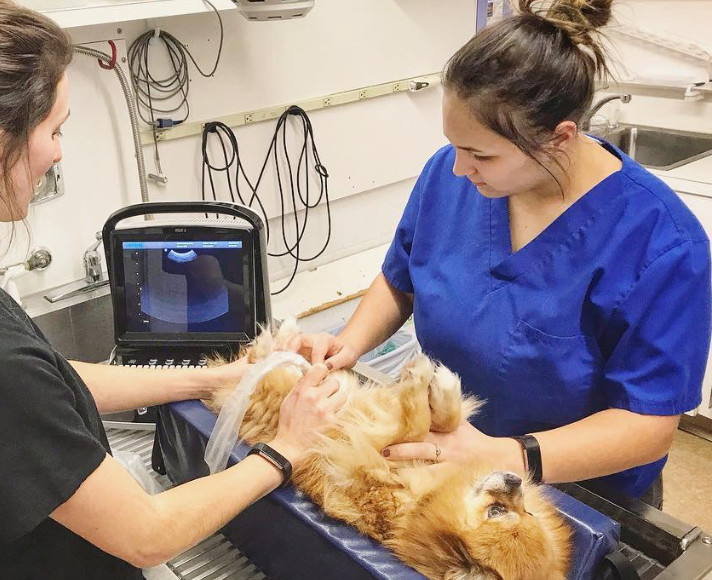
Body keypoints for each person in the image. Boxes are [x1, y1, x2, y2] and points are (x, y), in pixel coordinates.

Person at [0, 0, 346, 578]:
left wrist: (215, 376)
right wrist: (287, 448)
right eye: (53, 130)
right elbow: (147, 534)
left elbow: (42, 386)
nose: (58, 152)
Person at [297, 0, 711, 508]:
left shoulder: (660, 244)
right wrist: (349, 344)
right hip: (448, 459)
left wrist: (505, 456)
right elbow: (402, 276)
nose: (458, 169)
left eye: (481, 154)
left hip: (576, 493)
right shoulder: (453, 178)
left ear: (560, 138)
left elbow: (646, 426)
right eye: (454, 147)